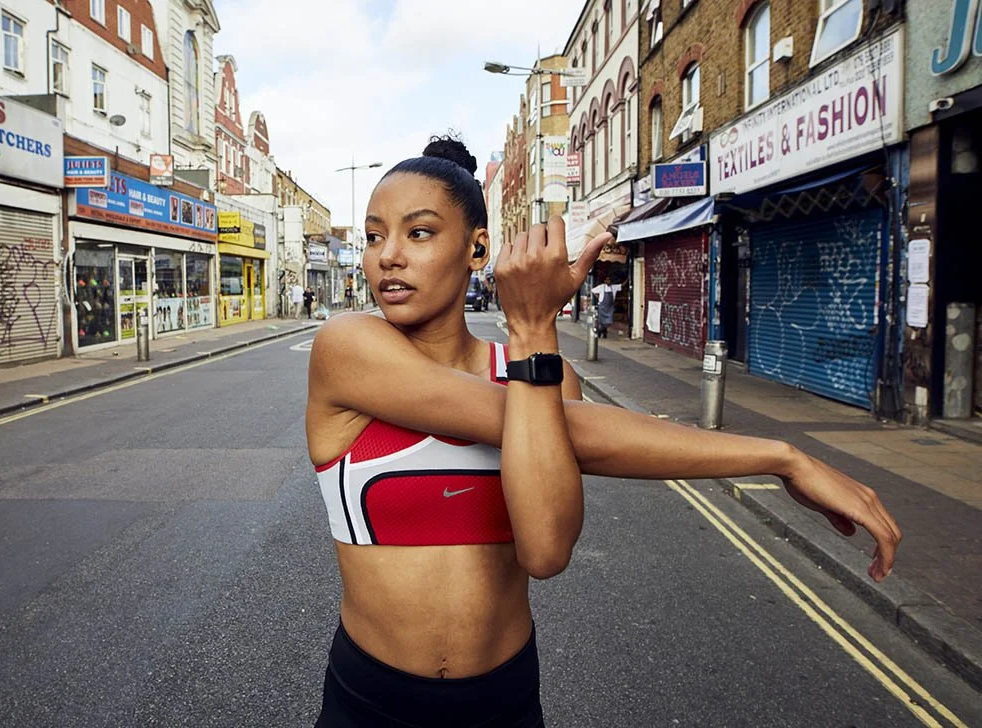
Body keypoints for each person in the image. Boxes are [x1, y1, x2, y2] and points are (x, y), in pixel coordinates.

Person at [306, 135, 901, 727]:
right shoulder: (347, 348)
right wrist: (781, 456)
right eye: (374, 235)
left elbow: (545, 551)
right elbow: (577, 431)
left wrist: (534, 332)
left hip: (503, 700)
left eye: (419, 232)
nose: (387, 256)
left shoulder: (545, 376)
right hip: (370, 702)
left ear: (478, 248)